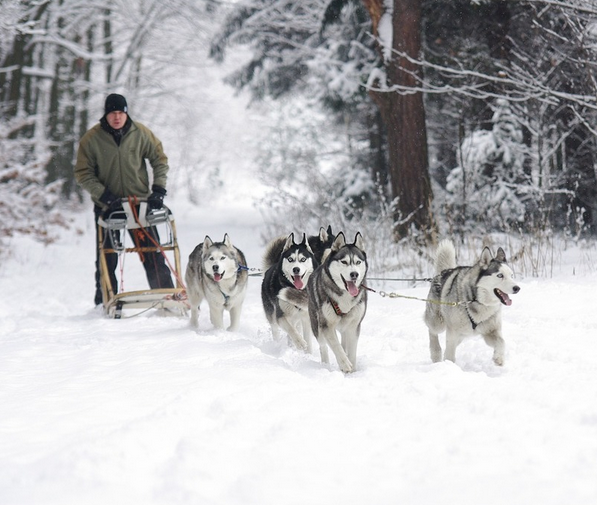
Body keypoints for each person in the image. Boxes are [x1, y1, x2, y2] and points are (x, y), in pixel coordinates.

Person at [75, 93, 174, 306]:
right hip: (108, 207)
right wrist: (103, 195)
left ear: (126, 113)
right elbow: (83, 172)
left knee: (152, 253)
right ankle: (105, 301)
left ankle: (166, 295)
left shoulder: (141, 133)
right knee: (107, 255)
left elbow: (159, 159)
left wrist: (158, 189)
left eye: (120, 113)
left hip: (139, 205)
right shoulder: (92, 138)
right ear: (106, 114)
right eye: (112, 113)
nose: (117, 117)